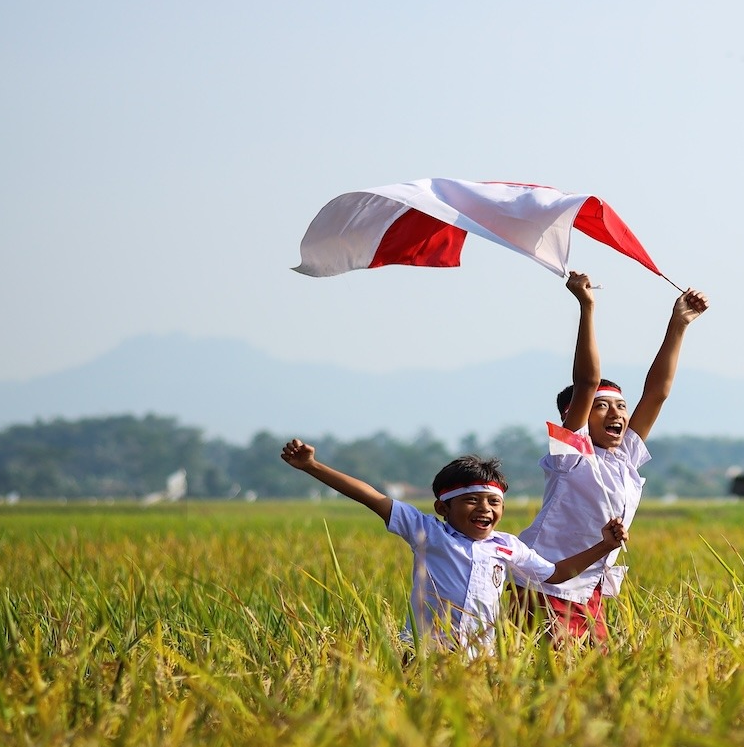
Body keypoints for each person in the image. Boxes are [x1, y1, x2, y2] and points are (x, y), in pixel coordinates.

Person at [279, 440, 626, 654]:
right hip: (424, 654)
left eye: (493, 502)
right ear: (443, 508)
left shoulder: (507, 546)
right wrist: (311, 466)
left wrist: (604, 545)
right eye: (472, 501)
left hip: (481, 659)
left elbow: (558, 574)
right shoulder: (428, 532)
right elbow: (370, 496)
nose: (485, 509)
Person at [516, 270, 708, 641]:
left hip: (590, 588)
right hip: (545, 586)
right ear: (575, 417)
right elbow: (587, 381)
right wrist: (587, 307)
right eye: (602, 407)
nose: (617, 414)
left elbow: (657, 393)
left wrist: (678, 324)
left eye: (621, 406)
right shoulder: (570, 456)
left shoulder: (625, 459)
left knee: (592, 680)